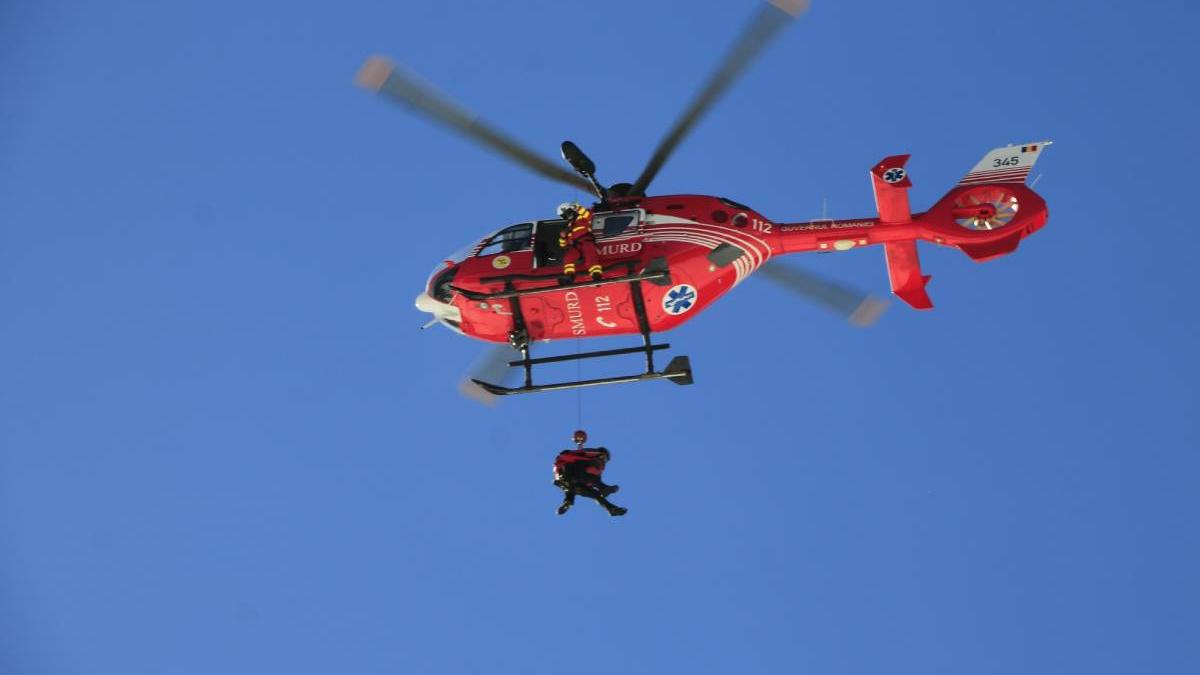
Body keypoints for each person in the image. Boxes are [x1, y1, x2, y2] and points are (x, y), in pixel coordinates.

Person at [553, 430, 626, 516]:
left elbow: (594, 480)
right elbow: (571, 458)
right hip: (570, 477)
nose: (603, 461)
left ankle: (611, 508)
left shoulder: (593, 466)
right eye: (603, 458)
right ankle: (568, 501)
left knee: (592, 492)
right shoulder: (585, 458)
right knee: (575, 484)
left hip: (576, 483)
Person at [556, 202, 604, 283]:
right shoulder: (567, 227)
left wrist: (578, 207)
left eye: (568, 213)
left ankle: (596, 275)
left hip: (586, 241)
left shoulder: (581, 217)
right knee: (568, 257)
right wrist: (562, 237)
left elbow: (589, 215)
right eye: (565, 216)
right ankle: (569, 276)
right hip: (575, 246)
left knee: (590, 257)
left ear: (572, 210)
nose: (568, 216)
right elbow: (563, 245)